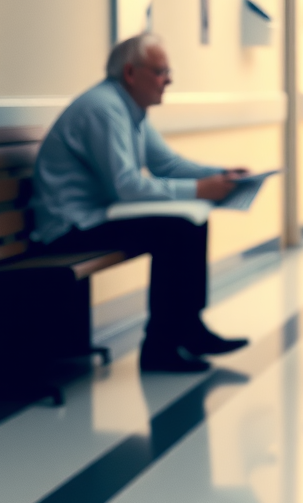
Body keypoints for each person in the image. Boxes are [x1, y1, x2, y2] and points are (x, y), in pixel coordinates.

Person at [31, 33, 250, 373]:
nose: (169, 80)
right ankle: (160, 347)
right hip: (68, 226)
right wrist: (200, 189)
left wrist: (221, 174)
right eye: (161, 71)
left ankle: (188, 328)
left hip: (95, 215)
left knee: (190, 221)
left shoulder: (129, 108)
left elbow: (167, 164)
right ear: (131, 73)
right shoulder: (104, 109)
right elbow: (127, 187)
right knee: (176, 230)